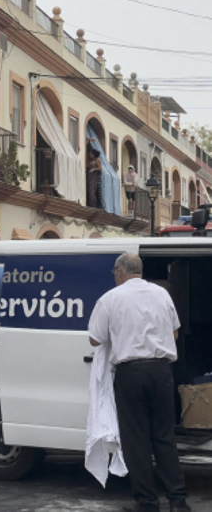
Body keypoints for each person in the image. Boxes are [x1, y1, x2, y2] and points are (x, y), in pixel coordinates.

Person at [88, 252, 192, 512]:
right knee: (164, 437)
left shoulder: (110, 298)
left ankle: (147, 502)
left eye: (114, 272)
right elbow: (175, 332)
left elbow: (94, 339)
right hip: (161, 371)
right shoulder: (162, 294)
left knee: (137, 441)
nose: (114, 276)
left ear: (120, 272)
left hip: (130, 373)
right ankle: (178, 500)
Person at [87, 141, 103, 209]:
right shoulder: (92, 160)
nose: (89, 154)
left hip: (94, 177)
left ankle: (93, 205)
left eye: (91, 154)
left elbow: (100, 168)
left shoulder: (97, 160)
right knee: (90, 189)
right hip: (90, 176)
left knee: (92, 190)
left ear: (93, 154)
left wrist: (94, 169)